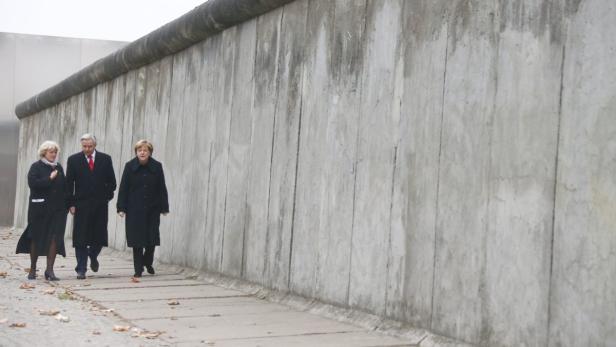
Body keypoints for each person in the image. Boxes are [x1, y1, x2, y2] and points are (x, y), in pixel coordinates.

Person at [66, 133, 116, 279]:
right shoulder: (73, 160)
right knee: (80, 237)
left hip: (100, 205)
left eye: (90, 146)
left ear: (95, 145)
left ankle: (92, 255)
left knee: (99, 236)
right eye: (84, 146)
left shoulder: (105, 159)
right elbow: (69, 184)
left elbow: (112, 182)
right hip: (81, 205)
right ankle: (81, 269)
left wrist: (106, 196)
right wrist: (71, 203)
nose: (87, 149)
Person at [16, 141, 68, 281]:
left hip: (57, 210)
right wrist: (49, 179)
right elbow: (33, 184)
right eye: (51, 152)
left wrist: (68, 205)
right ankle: (33, 269)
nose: (53, 154)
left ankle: (49, 270)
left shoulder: (59, 167)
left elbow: (64, 187)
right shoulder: (36, 167)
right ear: (44, 152)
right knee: (36, 237)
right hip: (39, 210)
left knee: (54, 238)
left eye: (55, 152)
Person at [117, 140, 169, 277]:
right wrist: (121, 207)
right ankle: (138, 269)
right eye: (139, 150)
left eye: (145, 150)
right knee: (137, 240)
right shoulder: (129, 166)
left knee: (152, 239)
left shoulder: (157, 166)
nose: (142, 152)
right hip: (135, 209)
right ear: (136, 152)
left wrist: (164, 207)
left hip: (152, 208)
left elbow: (162, 188)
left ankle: (147, 261)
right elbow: (124, 188)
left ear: (150, 152)